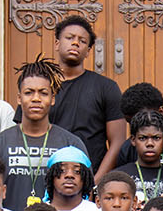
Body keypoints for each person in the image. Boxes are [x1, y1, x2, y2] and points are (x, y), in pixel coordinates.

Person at [0, 60, 80, 209]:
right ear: (19, 98)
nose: (36, 99)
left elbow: (84, 194)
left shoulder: (71, 144)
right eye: (29, 92)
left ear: (53, 99)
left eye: (43, 93)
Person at [50, 15, 127, 175]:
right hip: (46, 176)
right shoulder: (39, 86)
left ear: (88, 51)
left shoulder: (106, 87)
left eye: (82, 41)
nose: (75, 43)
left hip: (90, 176)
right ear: (57, 43)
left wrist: (96, 182)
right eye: (69, 37)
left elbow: (117, 142)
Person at [47, 146, 104, 211]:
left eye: (77, 171)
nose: (69, 175)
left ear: (85, 178)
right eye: (62, 170)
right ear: (51, 176)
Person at [124, 109, 163, 205]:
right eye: (143, 138)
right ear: (133, 140)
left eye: (156, 138)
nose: (150, 144)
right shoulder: (121, 175)